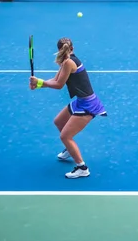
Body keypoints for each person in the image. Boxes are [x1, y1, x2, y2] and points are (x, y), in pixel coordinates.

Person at [29, 37, 107, 179]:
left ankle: (82, 168)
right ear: (72, 48)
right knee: (59, 122)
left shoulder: (69, 62)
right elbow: (55, 79)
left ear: (59, 49)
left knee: (65, 136)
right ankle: (70, 149)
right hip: (80, 101)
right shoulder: (67, 60)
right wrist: (38, 84)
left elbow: (58, 85)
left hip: (88, 105)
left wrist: (39, 82)